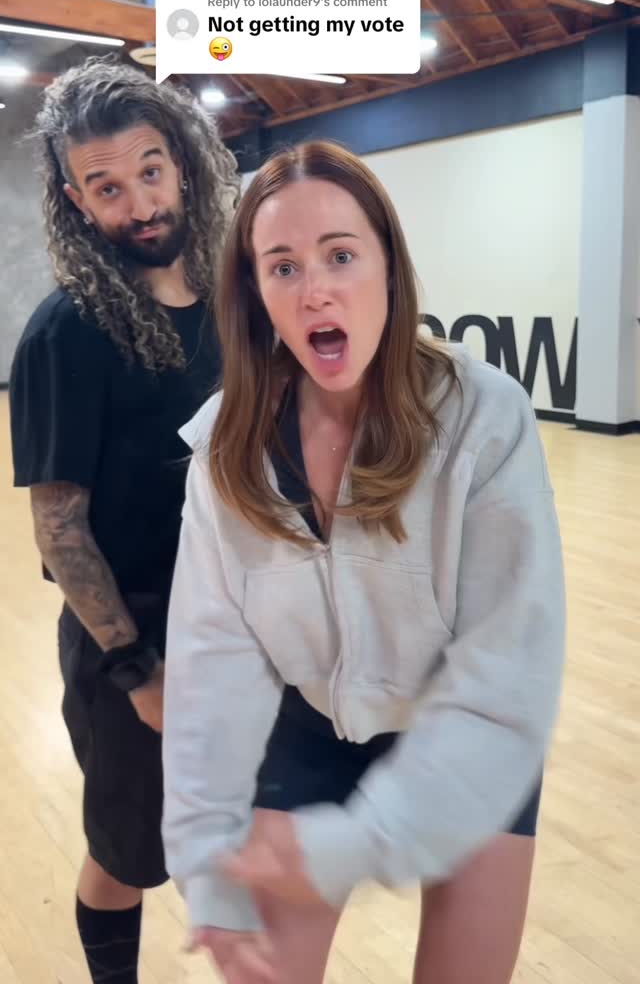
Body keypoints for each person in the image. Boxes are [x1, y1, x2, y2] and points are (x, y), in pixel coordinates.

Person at [161, 140, 566, 984]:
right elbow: (209, 662)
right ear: (256, 292)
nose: (314, 290)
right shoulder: (227, 445)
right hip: (310, 732)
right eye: (282, 266)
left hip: (467, 736)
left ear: (388, 266)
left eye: (340, 255)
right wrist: (205, 853)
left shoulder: (487, 420)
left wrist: (353, 843)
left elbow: (505, 677)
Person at [9, 55, 239, 984]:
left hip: (237, 625)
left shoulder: (231, 301)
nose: (140, 204)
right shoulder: (65, 334)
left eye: (150, 171)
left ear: (181, 161)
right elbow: (61, 531)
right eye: (108, 188)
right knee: (128, 856)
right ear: (77, 199)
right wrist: (138, 669)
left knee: (239, 825)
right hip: (134, 647)